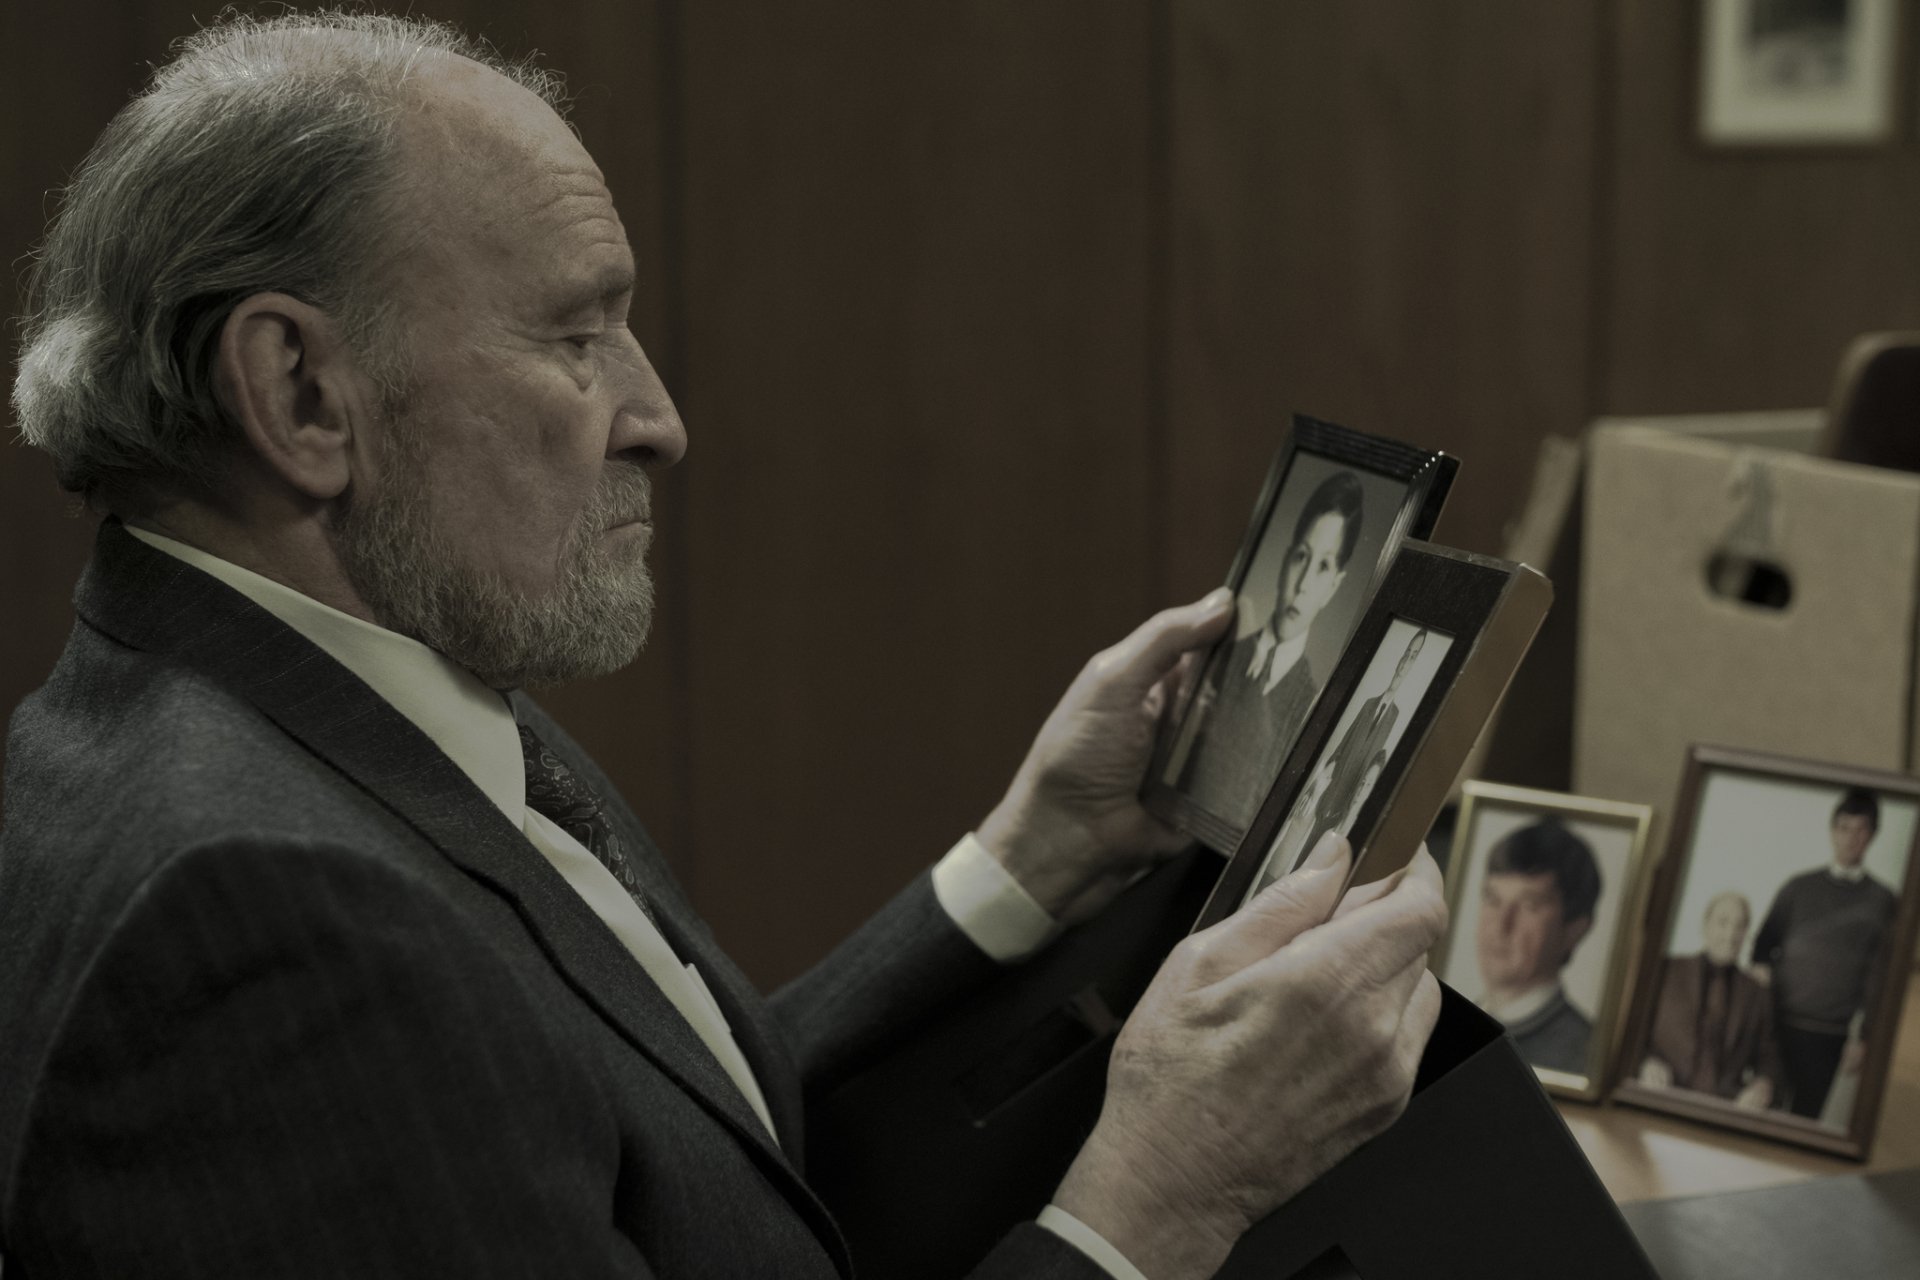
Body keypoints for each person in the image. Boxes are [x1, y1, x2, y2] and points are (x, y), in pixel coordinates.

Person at [0, 13, 1447, 1279]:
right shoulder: (263, 919)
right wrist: (1161, 1197)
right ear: (302, 393)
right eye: (576, 338)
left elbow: (648, 1156)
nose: (657, 419)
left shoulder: (324, 685)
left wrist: (1028, 857)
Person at [1172, 470, 1365, 833]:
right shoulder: (1217, 664)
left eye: (1322, 566)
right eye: (1301, 557)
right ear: (1286, 558)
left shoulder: (1313, 709)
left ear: (1334, 586)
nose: (1305, 583)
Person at [1750, 787, 1899, 1121]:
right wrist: (1760, 980)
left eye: (1861, 830)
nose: (1850, 838)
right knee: (1763, 1112)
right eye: (1844, 828)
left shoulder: (1883, 901)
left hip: (1830, 1035)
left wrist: (1865, 1038)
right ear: (1833, 831)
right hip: (1777, 1025)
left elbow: (1881, 977)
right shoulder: (1798, 887)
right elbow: (1763, 944)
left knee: (1804, 1120)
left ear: (1872, 836)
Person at [1474, 817, 1602, 1075]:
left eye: (1529, 906)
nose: (1502, 925)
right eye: (1493, 900)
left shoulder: (1584, 1054)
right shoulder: (1452, 1021)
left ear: (1574, 930)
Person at [1638, 891, 1779, 1107]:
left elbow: (1769, 1056)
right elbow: (1634, 1032)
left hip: (1722, 1108)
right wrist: (1647, 1062)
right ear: (1705, 926)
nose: (1731, 935)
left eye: (1740, 926)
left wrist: (1763, 1085)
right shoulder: (1666, 971)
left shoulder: (1757, 994)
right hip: (1661, 1095)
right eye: (1723, 922)